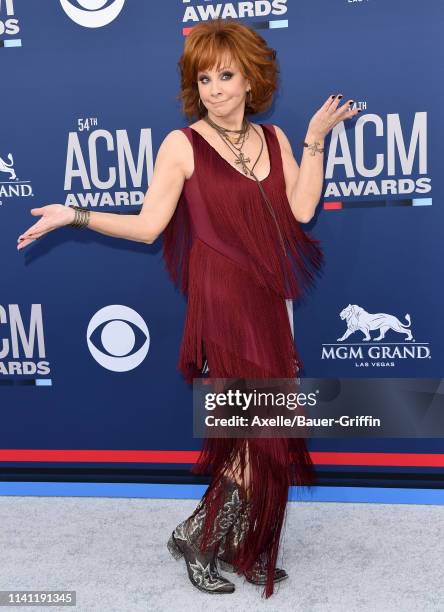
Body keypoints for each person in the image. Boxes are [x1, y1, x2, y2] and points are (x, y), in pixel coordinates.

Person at [16, 18, 360, 599]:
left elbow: (301, 212)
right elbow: (151, 226)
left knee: (266, 429)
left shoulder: (274, 140)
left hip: (269, 299)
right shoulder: (182, 145)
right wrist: (74, 214)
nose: (215, 88)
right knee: (256, 432)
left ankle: (243, 544)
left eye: (226, 75)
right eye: (204, 78)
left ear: (251, 79)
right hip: (223, 303)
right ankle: (201, 540)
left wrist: (314, 139)